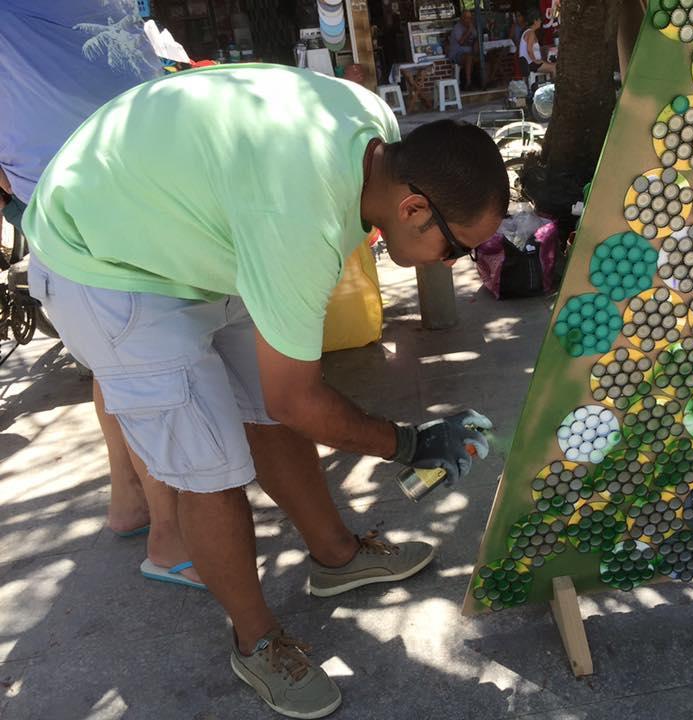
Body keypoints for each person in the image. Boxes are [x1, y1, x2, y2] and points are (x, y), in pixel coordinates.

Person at [25, 65, 508, 718]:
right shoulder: (298, 219)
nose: (451, 265)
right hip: (107, 264)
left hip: (193, 232)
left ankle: (336, 557)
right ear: (412, 208)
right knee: (211, 469)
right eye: (454, 249)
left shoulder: (376, 131)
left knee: (266, 412)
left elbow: (281, 406)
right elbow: (299, 400)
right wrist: (408, 444)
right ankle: (256, 641)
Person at [0, 0, 204, 586]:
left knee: (119, 365)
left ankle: (132, 504)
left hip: (124, 188)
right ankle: (171, 538)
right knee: (147, 363)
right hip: (84, 205)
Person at [519, 10, 556, 80]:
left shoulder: (527, 32)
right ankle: (555, 89)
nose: (540, 22)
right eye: (539, 20)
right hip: (531, 64)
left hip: (528, 63)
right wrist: (535, 60)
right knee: (554, 67)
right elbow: (529, 50)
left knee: (550, 64)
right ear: (535, 21)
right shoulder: (531, 33)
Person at [447, 9, 479, 89]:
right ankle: (468, 83)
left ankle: (485, 81)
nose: (469, 20)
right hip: (457, 54)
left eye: (470, 18)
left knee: (485, 58)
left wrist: (475, 44)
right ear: (462, 18)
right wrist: (468, 31)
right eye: (467, 18)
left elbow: (476, 38)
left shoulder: (471, 26)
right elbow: (461, 42)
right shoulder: (457, 28)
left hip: (470, 52)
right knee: (469, 57)